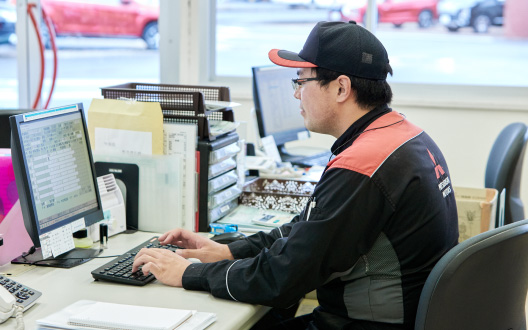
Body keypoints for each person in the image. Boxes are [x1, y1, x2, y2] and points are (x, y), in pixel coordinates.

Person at [132, 21, 459, 330]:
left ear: (341, 88)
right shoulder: (403, 135)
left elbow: (282, 278)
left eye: (301, 81)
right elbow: (308, 233)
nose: (295, 94)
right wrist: (229, 251)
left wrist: (190, 273)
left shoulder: (363, 165)